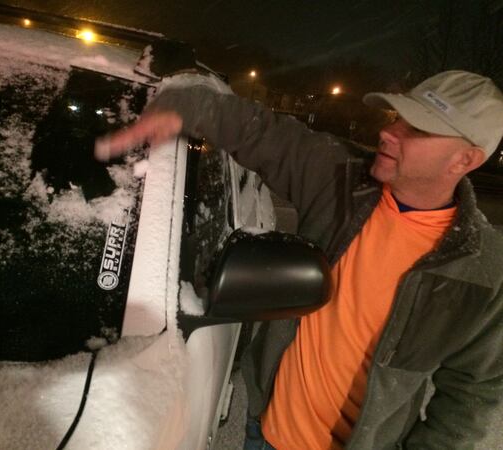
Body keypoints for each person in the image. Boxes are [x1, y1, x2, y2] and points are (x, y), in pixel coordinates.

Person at [97, 70, 503, 449]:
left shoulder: (483, 270)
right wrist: (185, 108)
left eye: (415, 129)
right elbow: (263, 133)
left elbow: (472, 391)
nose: (388, 132)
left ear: (465, 160)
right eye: (397, 117)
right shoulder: (340, 181)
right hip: (267, 433)